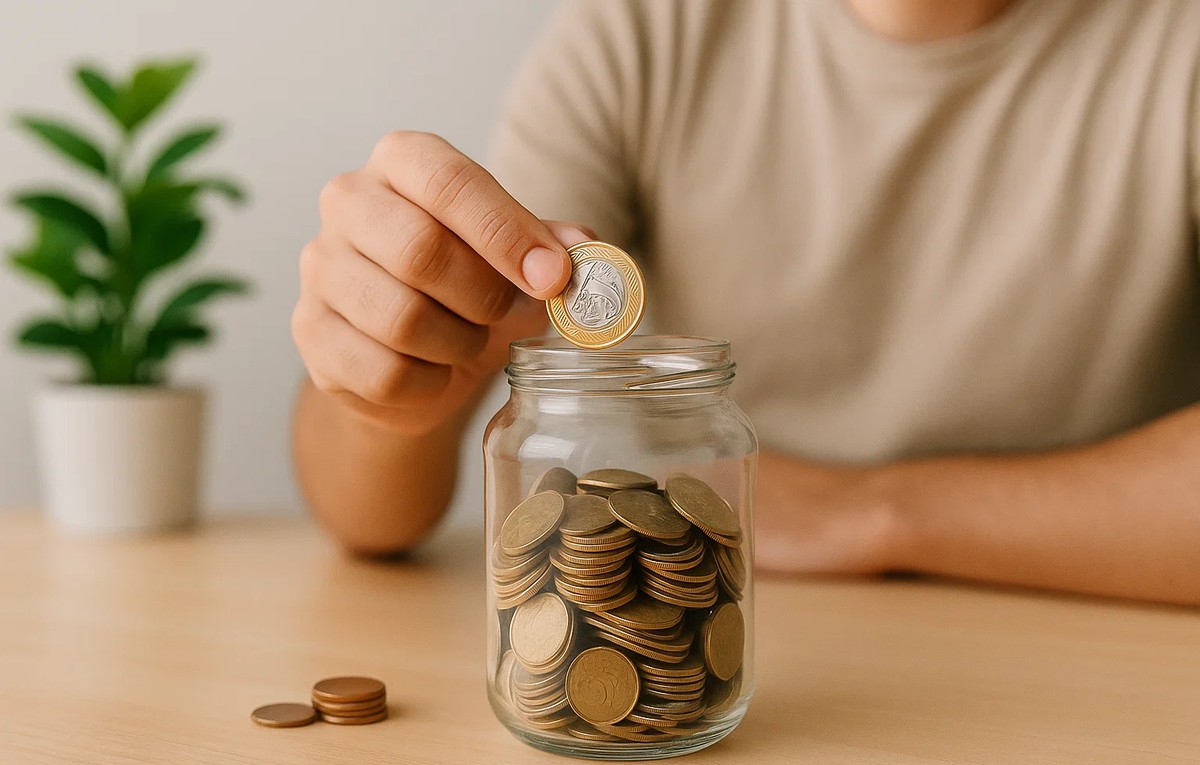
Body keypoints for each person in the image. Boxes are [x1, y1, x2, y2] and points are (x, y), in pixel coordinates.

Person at [291, 0, 1200, 605]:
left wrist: (868, 512)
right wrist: (391, 368)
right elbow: (366, 513)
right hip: (687, 619)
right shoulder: (644, 32)